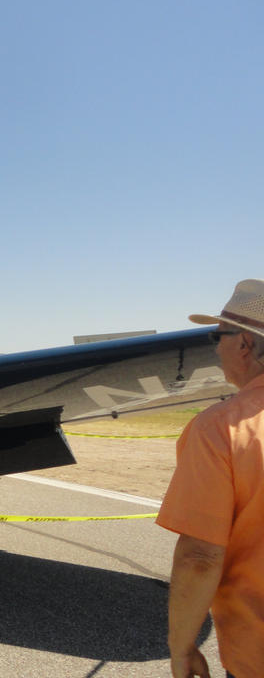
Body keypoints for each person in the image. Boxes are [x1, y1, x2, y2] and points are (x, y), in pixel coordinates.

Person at [157, 279, 264, 678]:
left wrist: (181, 648)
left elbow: (200, 557)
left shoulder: (219, 427)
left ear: (244, 345)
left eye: (218, 335)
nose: (215, 346)